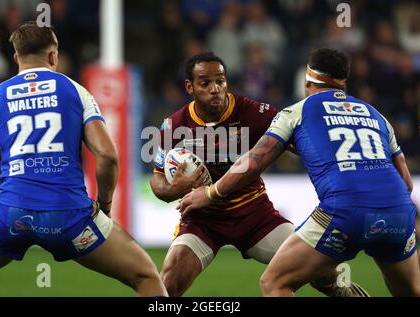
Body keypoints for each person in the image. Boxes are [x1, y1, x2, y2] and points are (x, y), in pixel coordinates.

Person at [179, 48, 420, 297]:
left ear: (307, 81)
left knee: (274, 282)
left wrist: (210, 193)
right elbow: (406, 182)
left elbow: (254, 161)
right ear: (343, 82)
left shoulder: (297, 112)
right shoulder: (376, 115)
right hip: (398, 213)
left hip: (346, 211)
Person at [150, 51, 368, 297]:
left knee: (322, 272)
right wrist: (176, 188)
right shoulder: (173, 126)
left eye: (220, 81)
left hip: (255, 216)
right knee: (167, 285)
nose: (215, 89)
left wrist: (339, 155)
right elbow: (157, 181)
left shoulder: (253, 112)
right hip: (202, 221)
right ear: (190, 86)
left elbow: (301, 141)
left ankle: (345, 291)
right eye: (205, 83)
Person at [0, 21, 167, 296]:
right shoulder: (75, 91)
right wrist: (105, 205)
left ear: (16, 57)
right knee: (146, 276)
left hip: (10, 215)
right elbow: (108, 156)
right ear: (54, 56)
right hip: (69, 217)